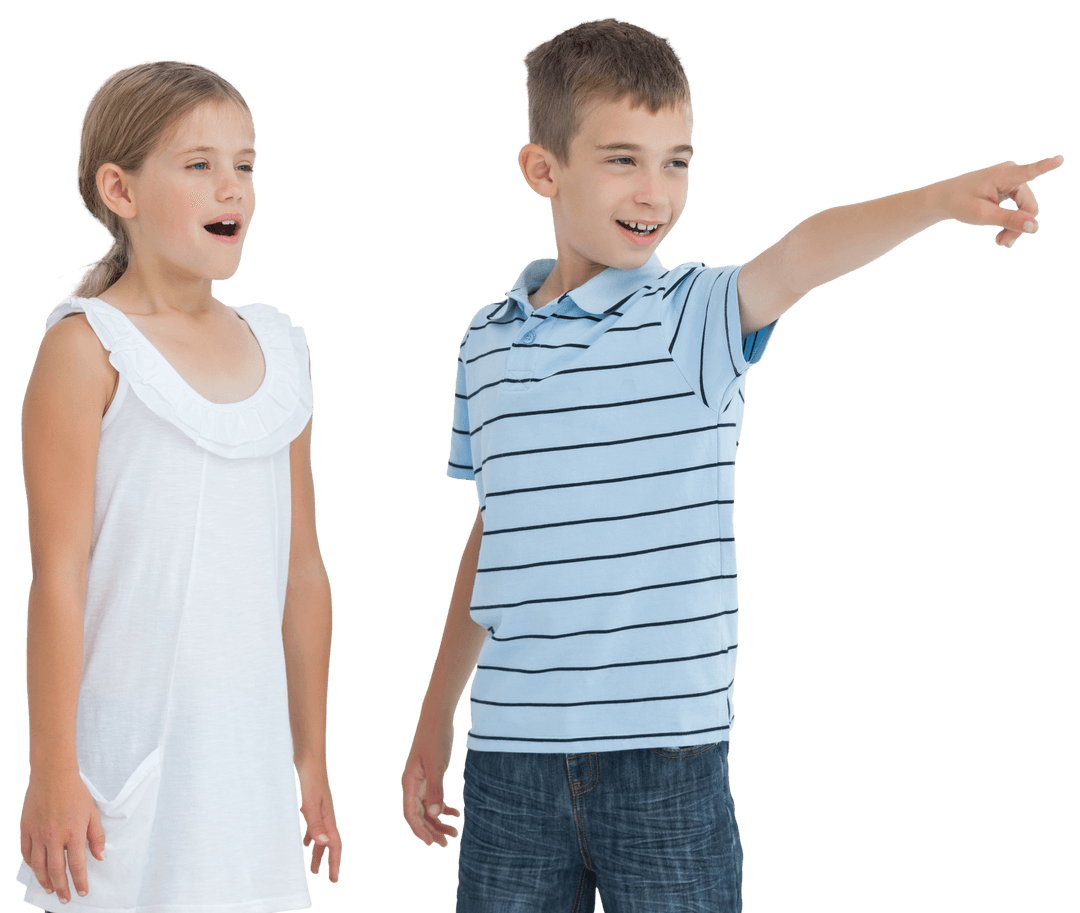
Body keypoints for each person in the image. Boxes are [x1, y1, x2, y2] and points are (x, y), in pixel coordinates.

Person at [399, 16, 1064, 912]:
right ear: (542, 169)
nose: (656, 190)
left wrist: (942, 198)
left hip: (668, 763)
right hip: (509, 756)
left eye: (678, 160)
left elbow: (805, 252)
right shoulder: (486, 343)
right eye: (623, 158)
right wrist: (437, 712)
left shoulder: (693, 318)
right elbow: (498, 531)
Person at [17, 59, 342, 912]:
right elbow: (58, 575)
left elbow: (302, 572)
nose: (231, 186)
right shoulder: (87, 350)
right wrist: (51, 770)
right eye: (198, 165)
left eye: (245, 163)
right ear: (118, 188)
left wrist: (309, 755)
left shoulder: (280, 349)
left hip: (248, 769)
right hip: (128, 759)